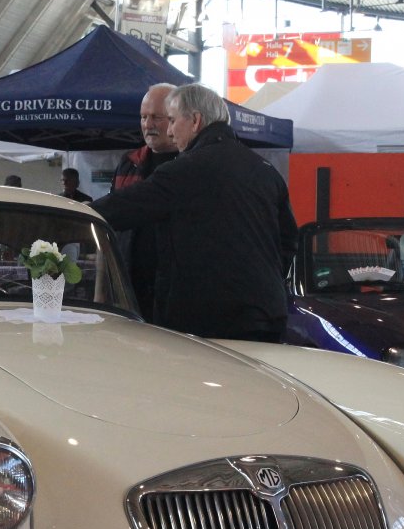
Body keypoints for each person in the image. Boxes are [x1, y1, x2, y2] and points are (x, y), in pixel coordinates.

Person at [93, 83, 297, 342]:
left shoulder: (186, 170)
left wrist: (71, 213)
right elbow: (289, 240)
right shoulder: (265, 169)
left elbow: (122, 208)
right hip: (268, 313)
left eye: (172, 120)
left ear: (196, 121)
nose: (169, 131)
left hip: (210, 320)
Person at [111, 82, 181, 320]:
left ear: (174, 118)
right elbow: (111, 228)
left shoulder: (191, 165)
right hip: (128, 287)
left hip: (175, 291)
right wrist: (103, 288)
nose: (148, 125)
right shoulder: (129, 162)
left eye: (156, 117)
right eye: (143, 117)